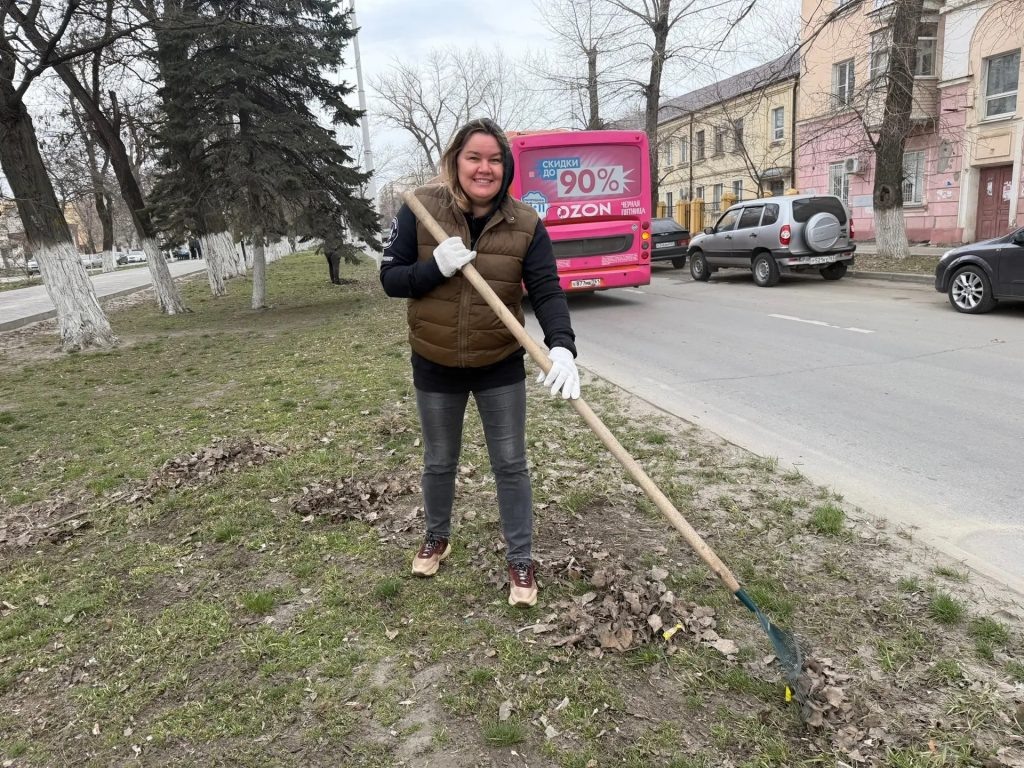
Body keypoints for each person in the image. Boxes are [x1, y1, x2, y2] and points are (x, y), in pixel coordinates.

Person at [380, 118, 581, 608]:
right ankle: (436, 535)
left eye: (495, 159)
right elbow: (391, 278)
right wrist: (435, 268)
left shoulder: (526, 225)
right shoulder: (419, 210)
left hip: (498, 363)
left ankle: (521, 557)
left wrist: (562, 346)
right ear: (456, 161)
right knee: (439, 460)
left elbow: (548, 291)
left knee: (511, 464)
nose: (484, 168)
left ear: (506, 167)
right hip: (435, 360)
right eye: (475, 157)